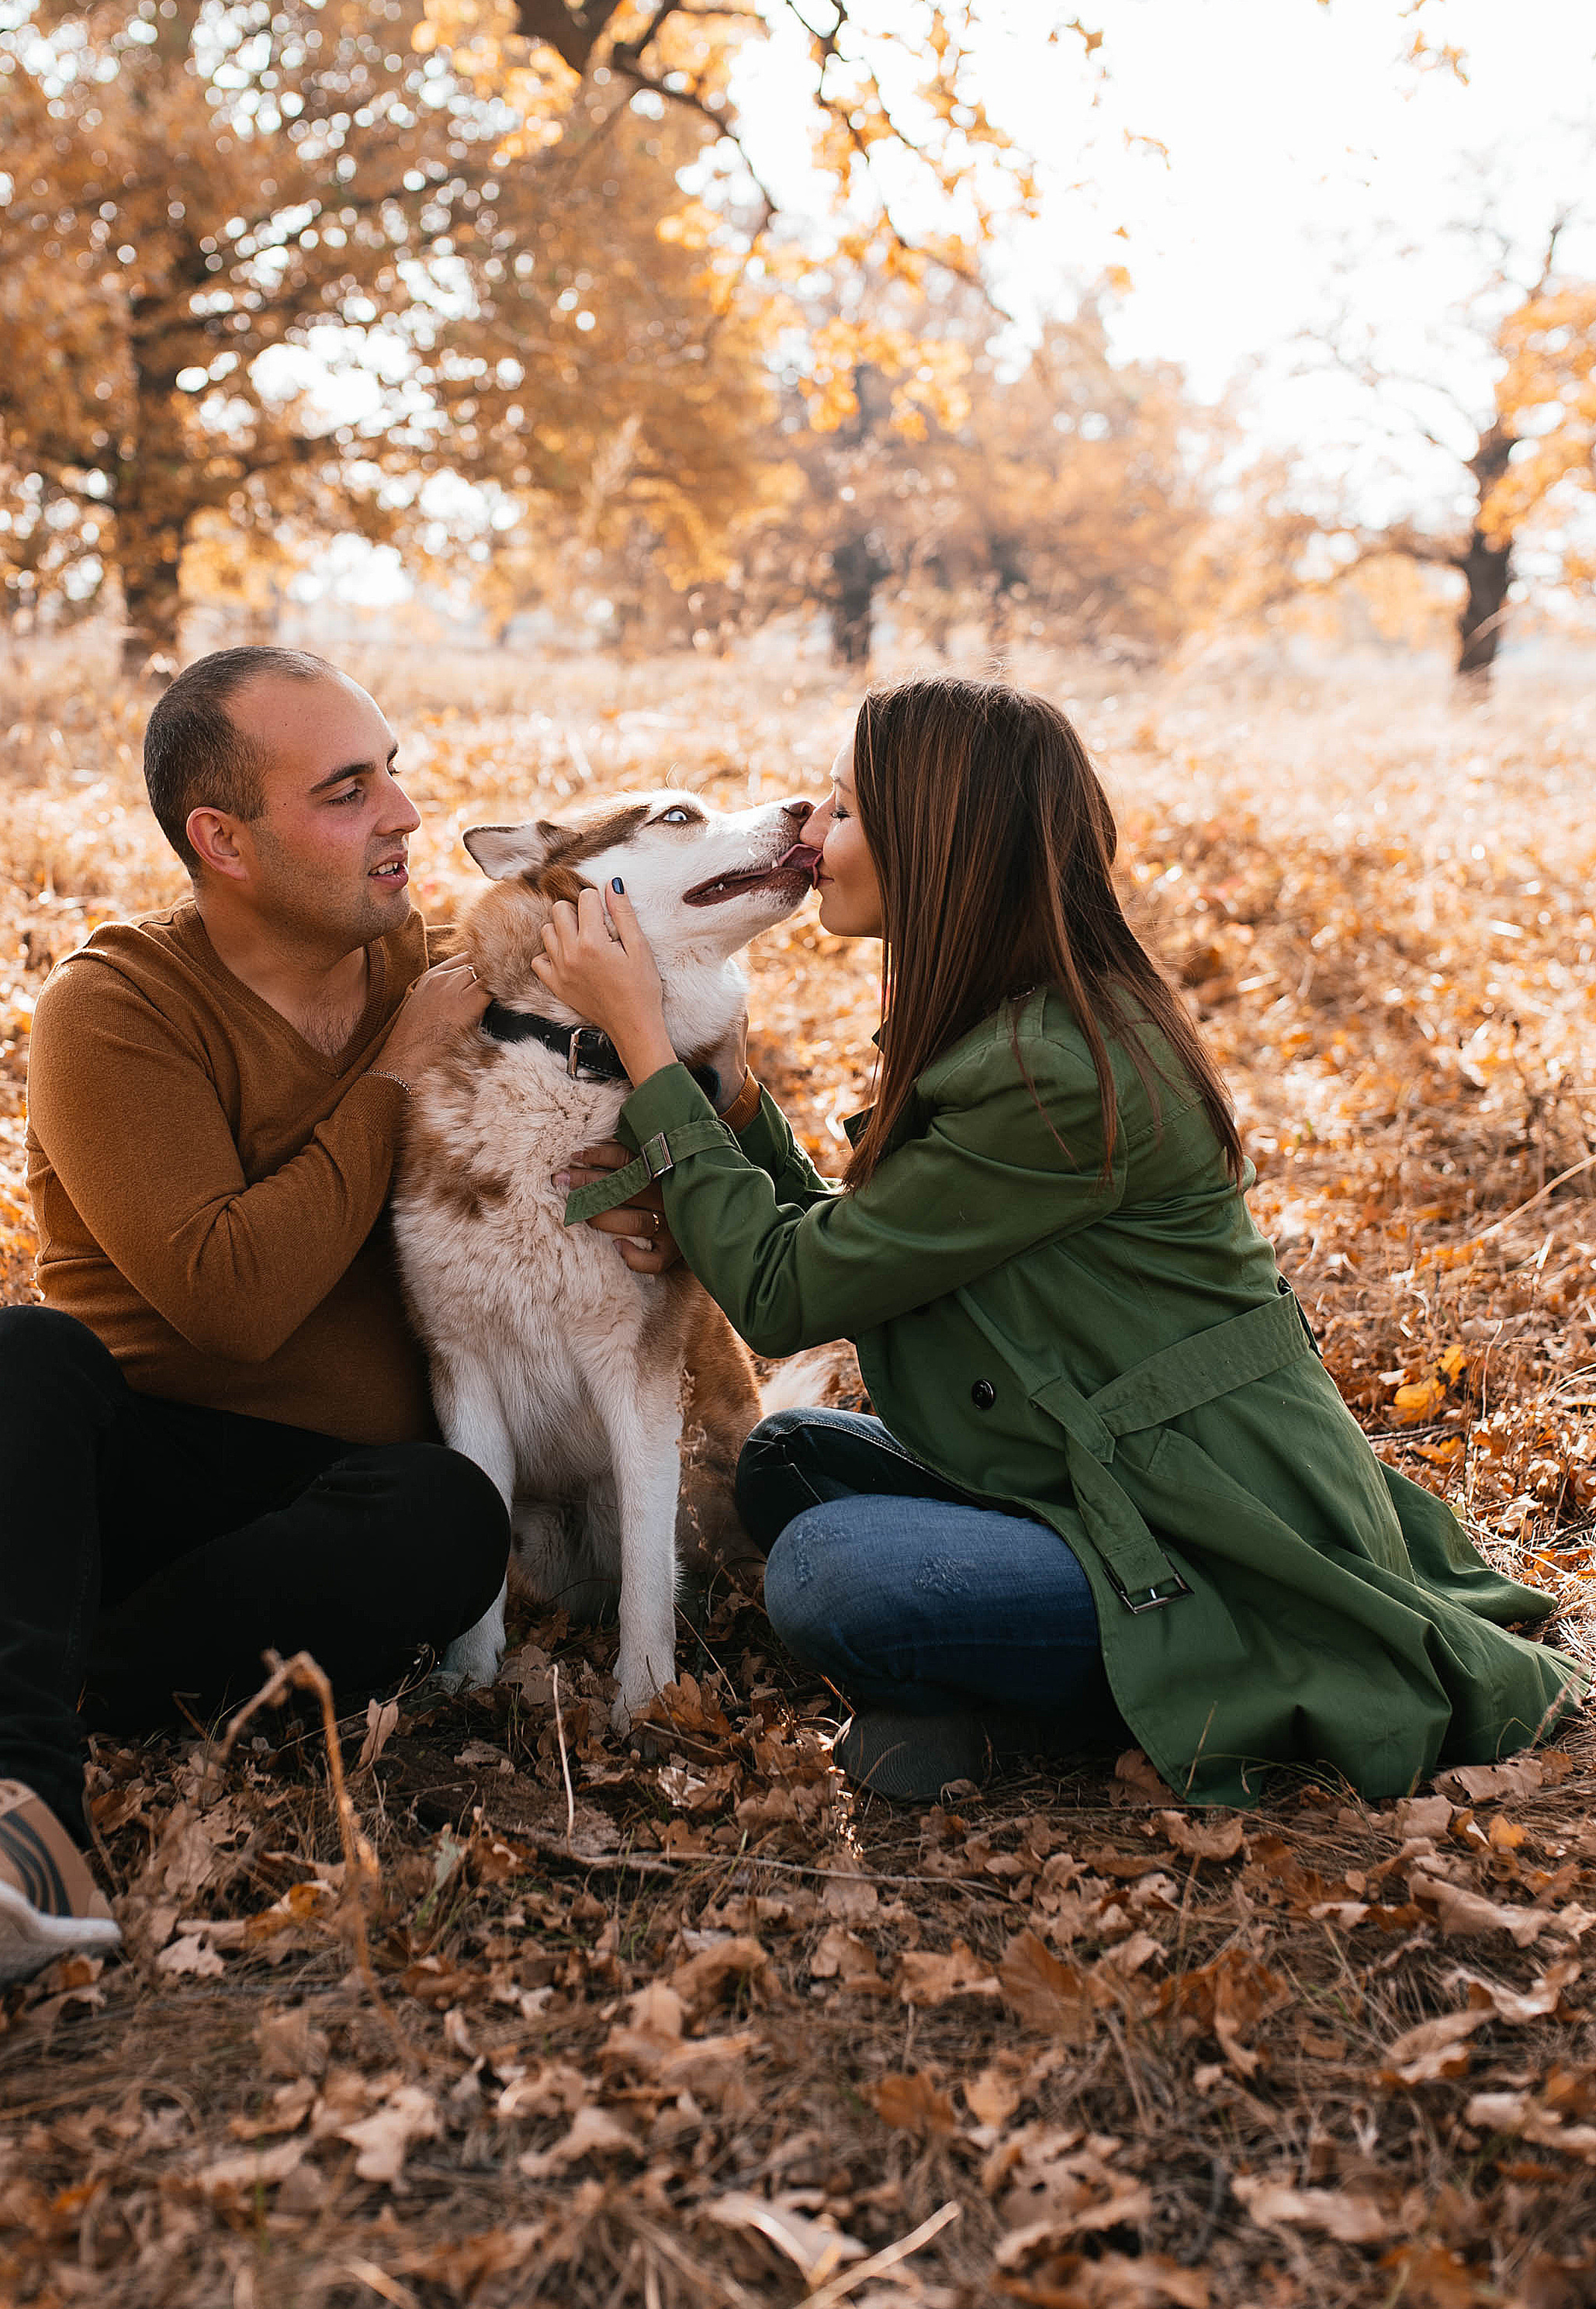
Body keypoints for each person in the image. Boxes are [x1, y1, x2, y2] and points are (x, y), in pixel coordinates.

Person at [0, 649, 662, 2000]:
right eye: (345, 791)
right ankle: (4, 1816)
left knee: (450, 1516)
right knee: (20, 1355)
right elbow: (235, 1299)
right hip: (130, 1478)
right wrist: (387, 1082)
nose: (400, 816)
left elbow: (622, 1080)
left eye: (393, 772)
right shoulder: (116, 1009)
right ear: (224, 840)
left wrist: (662, 1195)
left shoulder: (420, 968)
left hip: (341, 1510)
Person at [538, 676, 1579, 1803]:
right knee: (788, 1460)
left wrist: (647, 1045)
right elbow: (862, 1244)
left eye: (842, 812)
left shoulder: (1058, 1075)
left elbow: (789, 1294)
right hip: (1092, 1476)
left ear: (936, 848)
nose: (814, 835)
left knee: (829, 1572)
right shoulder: (1019, 1014)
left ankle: (1147, 1688)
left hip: (1208, 1531)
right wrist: (734, 1109)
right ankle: (995, 1679)